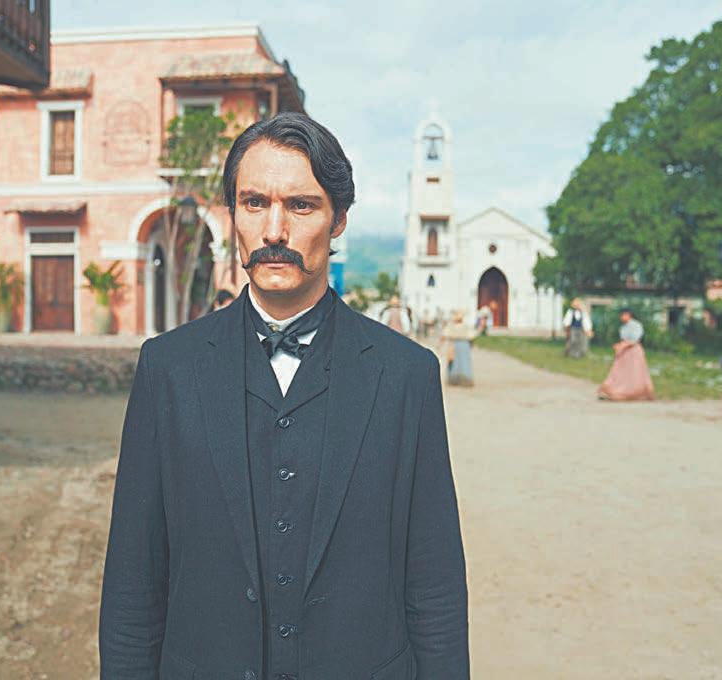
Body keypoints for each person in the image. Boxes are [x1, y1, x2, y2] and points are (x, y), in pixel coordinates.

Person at [99, 112, 469, 680]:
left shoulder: (406, 377)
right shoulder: (167, 370)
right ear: (233, 216)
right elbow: (133, 581)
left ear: (338, 219)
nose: (274, 231)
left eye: (300, 205)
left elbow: (435, 585)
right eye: (254, 203)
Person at [597, 307, 655, 401]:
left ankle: (634, 392)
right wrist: (619, 345)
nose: (621, 317)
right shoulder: (623, 327)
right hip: (624, 352)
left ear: (628, 315)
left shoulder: (636, 325)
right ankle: (613, 391)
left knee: (635, 372)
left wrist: (623, 345)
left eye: (623, 315)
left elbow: (635, 340)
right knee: (618, 372)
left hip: (634, 351)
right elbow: (624, 339)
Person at [442, 309, 476, 387]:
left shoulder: (454, 326)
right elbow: (471, 337)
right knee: (461, 362)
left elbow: (444, 335)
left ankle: (457, 380)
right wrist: (471, 344)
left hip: (457, 344)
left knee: (458, 362)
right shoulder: (463, 326)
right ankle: (461, 379)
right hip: (462, 345)